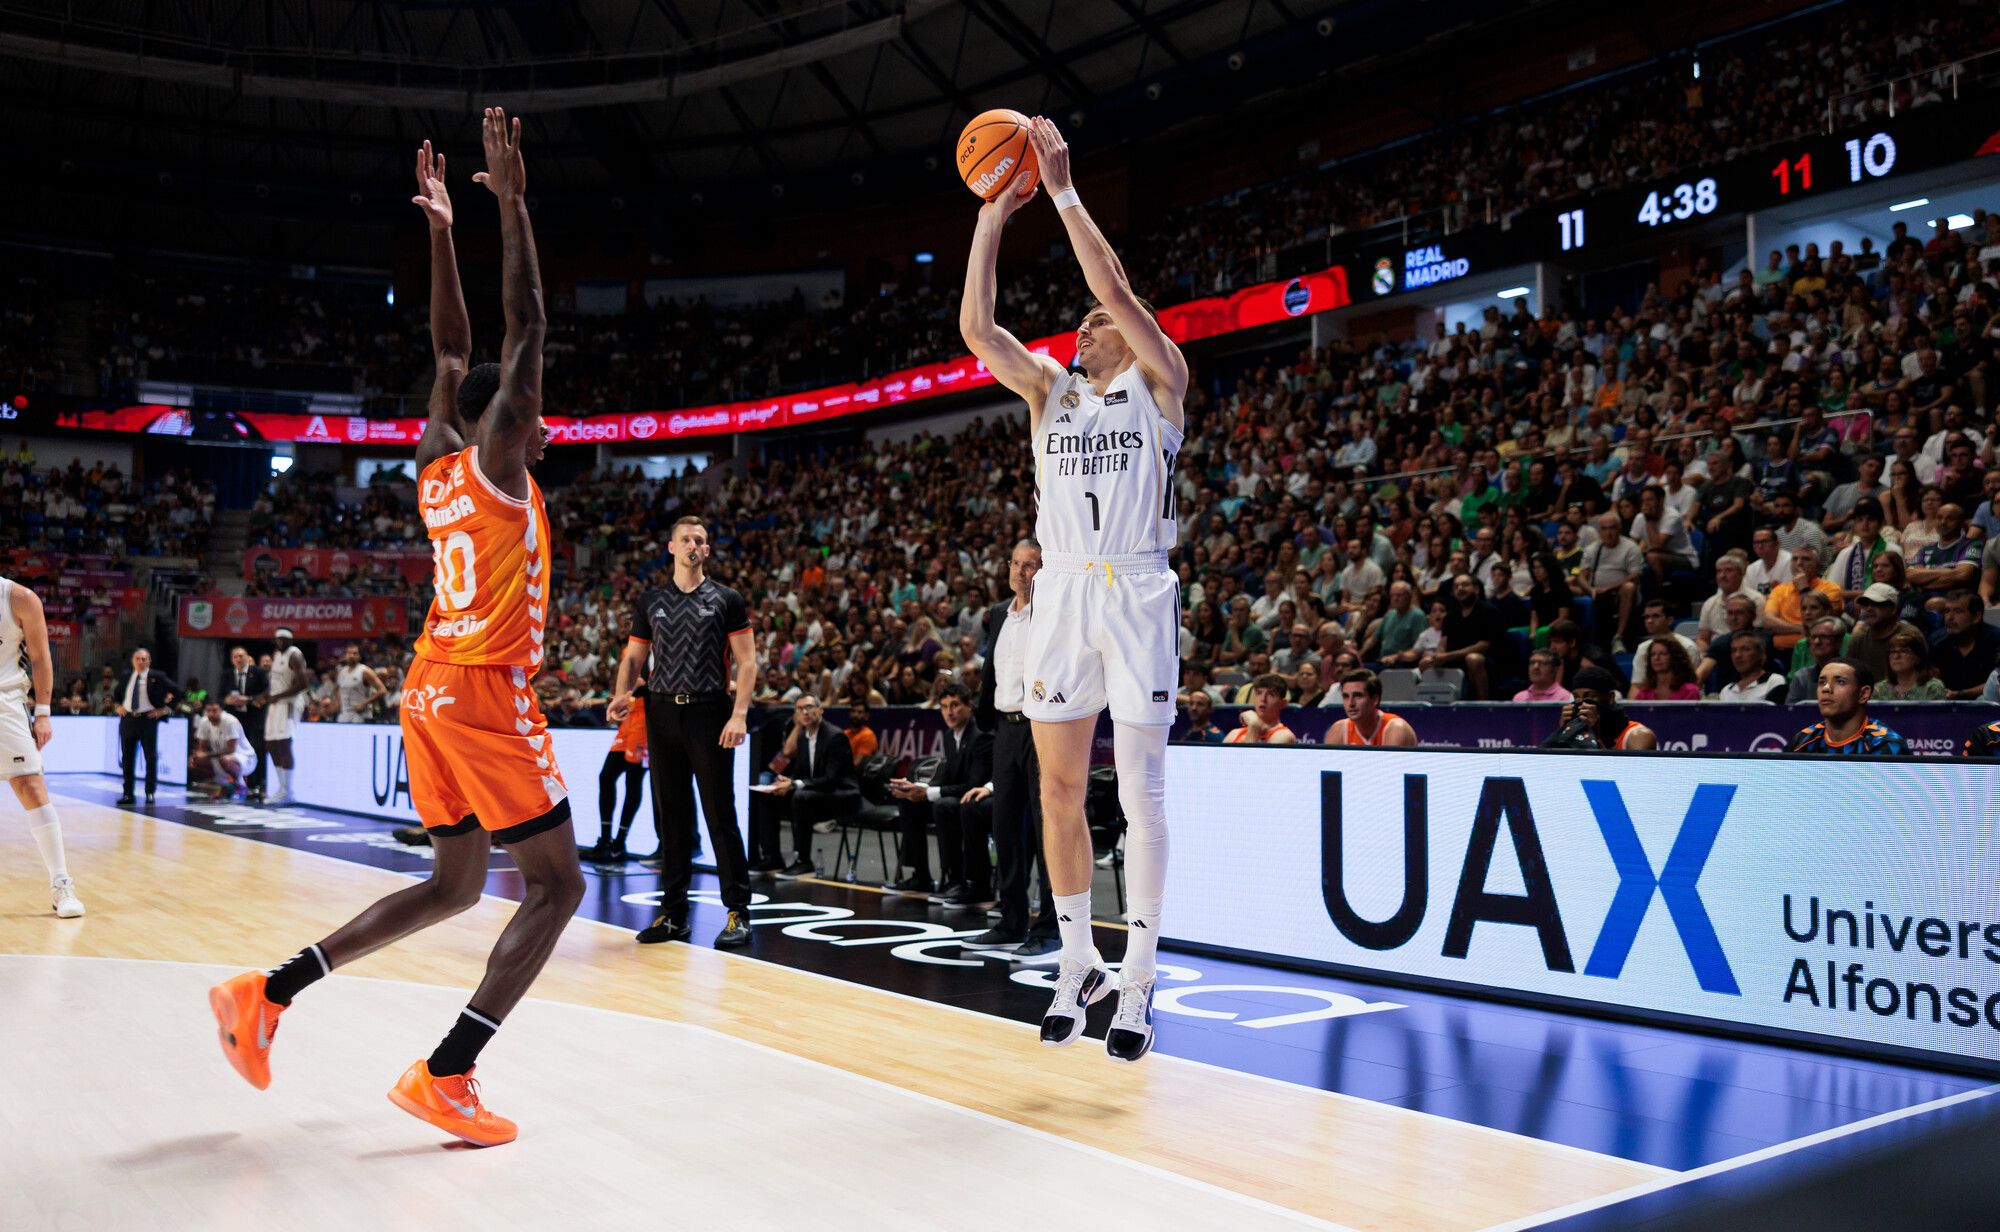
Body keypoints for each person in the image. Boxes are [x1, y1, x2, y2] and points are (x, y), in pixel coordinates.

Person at [209, 117, 584, 1147]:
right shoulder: (504, 460)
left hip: (425, 683)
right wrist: (510, 204)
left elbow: (451, 348)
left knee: (456, 882)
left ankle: (268, 990)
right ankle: (450, 1071)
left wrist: (437, 230)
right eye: (532, 406)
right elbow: (521, 330)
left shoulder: (433, 459)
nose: (545, 415)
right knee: (558, 884)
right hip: (480, 681)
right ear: (505, 417)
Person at [961, 116, 1186, 1061]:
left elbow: (1113, 286)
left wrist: (1058, 191)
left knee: (1138, 794)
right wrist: (992, 213)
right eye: (1085, 324)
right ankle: (1075, 961)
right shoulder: (1051, 395)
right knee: (1059, 790)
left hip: (1134, 591)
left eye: (1097, 321)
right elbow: (977, 327)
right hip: (1062, 593)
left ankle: (1138, 980)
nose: (1086, 323)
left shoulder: (1164, 382)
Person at [608, 515, 756, 945]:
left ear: (707, 551)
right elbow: (634, 657)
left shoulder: (727, 599)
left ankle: (737, 912)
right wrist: (622, 693)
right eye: (687, 538)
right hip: (661, 713)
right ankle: (673, 914)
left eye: (702, 540)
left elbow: (746, 662)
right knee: (670, 816)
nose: (695, 544)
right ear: (671, 547)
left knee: (718, 813)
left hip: (709, 712)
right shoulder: (651, 600)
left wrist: (739, 714)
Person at [963, 538, 1060, 952]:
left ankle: (1050, 930)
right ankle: (1012, 921)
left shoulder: (1054, 613)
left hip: (1042, 729)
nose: (1021, 572)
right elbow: (992, 672)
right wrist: (983, 718)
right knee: (1005, 830)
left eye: (1031, 565)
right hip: (1005, 729)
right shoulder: (998, 613)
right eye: (1016, 564)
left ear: (1044, 570)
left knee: (1046, 832)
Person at [0, 575, 83, 917]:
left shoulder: (18, 597)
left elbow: (40, 658)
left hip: (5, 700)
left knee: (31, 786)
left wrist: (44, 712)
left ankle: (61, 884)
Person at [885, 684, 991, 899]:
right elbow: (950, 779)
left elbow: (972, 785)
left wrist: (930, 793)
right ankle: (921, 876)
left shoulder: (981, 737)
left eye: (955, 706)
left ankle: (957, 880)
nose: (949, 712)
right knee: (909, 802)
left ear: (969, 706)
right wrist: (917, 789)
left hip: (979, 799)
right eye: (943, 707)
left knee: (944, 806)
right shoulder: (949, 736)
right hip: (957, 797)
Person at [1786, 659, 1908, 755]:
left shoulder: (1885, 746)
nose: (1826, 688)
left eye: (1840, 682)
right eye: (1822, 682)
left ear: (1863, 694)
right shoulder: (1801, 742)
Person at [584, 687, 648, 867]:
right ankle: (605, 839)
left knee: (633, 780)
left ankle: (619, 843)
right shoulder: (628, 658)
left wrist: (630, 686)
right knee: (606, 776)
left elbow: (641, 680)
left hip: (645, 716)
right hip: (629, 713)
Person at [114, 647, 179, 806]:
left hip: (147, 719)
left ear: (149, 661)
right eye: (138, 658)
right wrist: (117, 706)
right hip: (128, 719)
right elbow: (116, 695)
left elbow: (178, 692)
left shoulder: (157, 676)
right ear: (133, 661)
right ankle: (128, 793)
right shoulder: (126, 676)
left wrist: (165, 710)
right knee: (127, 758)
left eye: (144, 659)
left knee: (150, 757)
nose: (141, 661)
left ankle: (150, 792)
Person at [1541, 666, 1656, 749]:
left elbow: (1632, 780)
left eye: (1589, 697)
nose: (1581, 704)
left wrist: (1595, 737)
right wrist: (1565, 734)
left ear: (1610, 697)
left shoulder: (1638, 736)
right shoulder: (1576, 733)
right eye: (1576, 697)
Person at [1573, 512, 1642, 651]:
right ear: (1599, 531)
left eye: (1612, 528)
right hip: (1596, 592)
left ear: (1620, 529)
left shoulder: (1631, 547)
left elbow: (1634, 576)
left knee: (1628, 587)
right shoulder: (1592, 549)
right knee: (1567, 588)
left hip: (1619, 592)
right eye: (1604, 529)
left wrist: (1608, 588)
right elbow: (1582, 576)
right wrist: (1590, 589)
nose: (1608, 533)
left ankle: (1618, 637)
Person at [261, 628, 311, 804]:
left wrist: (278, 696)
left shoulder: (294, 655)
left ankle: (288, 791)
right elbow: (276, 683)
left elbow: (303, 684)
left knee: (284, 743)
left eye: (282, 639)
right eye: (277, 639)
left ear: (290, 640)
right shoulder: (276, 655)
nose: (279, 642)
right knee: (271, 744)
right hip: (276, 703)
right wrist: (266, 696)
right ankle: (282, 788)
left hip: (289, 704)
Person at [1844, 582, 1924, 681]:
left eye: (1876, 604)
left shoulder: (1911, 635)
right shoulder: (1858, 638)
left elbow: (1924, 673)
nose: (1869, 608)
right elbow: (1849, 675)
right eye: (1865, 604)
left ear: (1893, 608)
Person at [220, 645, 270, 801]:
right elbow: (220, 695)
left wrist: (248, 699)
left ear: (247, 657)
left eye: (241, 656)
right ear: (232, 659)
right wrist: (226, 700)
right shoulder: (227, 675)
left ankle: (260, 785)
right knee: (235, 752)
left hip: (255, 718)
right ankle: (238, 785)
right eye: (235, 656)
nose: (238, 659)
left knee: (256, 751)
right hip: (236, 720)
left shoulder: (258, 673)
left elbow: (267, 693)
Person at [1930, 591, 2000, 699]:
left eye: (1958, 611)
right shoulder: (1937, 641)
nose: (1950, 617)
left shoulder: (1996, 640)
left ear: (1976, 616)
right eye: (1947, 611)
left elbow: (1996, 682)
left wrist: (1960, 694)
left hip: (1988, 706)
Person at [1322, 670, 1416, 746]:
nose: (1351, 703)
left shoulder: (1396, 729)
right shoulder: (1339, 730)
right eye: (1346, 696)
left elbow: (1388, 769)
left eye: (1358, 696)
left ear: (1375, 699)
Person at [192, 698, 258, 800]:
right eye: (208, 711)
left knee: (225, 759)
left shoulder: (230, 721)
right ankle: (226, 786)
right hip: (220, 757)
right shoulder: (204, 721)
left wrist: (207, 755)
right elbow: (202, 748)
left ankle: (240, 785)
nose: (211, 714)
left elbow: (230, 750)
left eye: (214, 710)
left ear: (221, 710)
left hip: (246, 759)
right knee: (196, 762)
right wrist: (196, 756)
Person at [1785, 620, 1848, 704]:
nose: (1816, 642)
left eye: (1824, 636)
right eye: (1813, 637)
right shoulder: (1802, 677)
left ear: (1839, 642)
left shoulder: (1850, 675)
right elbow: (1791, 712)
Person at [1224, 673, 1298, 744]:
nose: (1263, 699)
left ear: (1283, 703)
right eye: (1259, 693)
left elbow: (1249, 757)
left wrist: (1254, 726)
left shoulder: (1284, 736)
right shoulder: (1234, 733)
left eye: (1271, 694)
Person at [1713, 635, 1788, 703]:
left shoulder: (1774, 681)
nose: (1737, 655)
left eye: (1745, 649)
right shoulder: (1727, 690)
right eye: (1734, 650)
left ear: (1762, 655)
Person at [1877, 632, 1948, 701]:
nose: (1896, 656)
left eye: (1904, 651)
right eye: (1892, 652)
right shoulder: (1879, 690)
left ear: (1918, 657)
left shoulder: (1932, 688)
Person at [333, 644, 389, 723]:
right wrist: (338, 703)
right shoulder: (342, 672)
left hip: (360, 716)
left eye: (355, 653)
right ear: (345, 655)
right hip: (344, 715)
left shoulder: (365, 671)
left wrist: (364, 703)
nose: (351, 656)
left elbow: (382, 690)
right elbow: (336, 689)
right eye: (349, 653)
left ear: (359, 656)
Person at [1631, 638, 1700, 700]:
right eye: (1652, 654)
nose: (1656, 658)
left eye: (1663, 654)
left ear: (1674, 657)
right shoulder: (1645, 693)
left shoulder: (1689, 691)